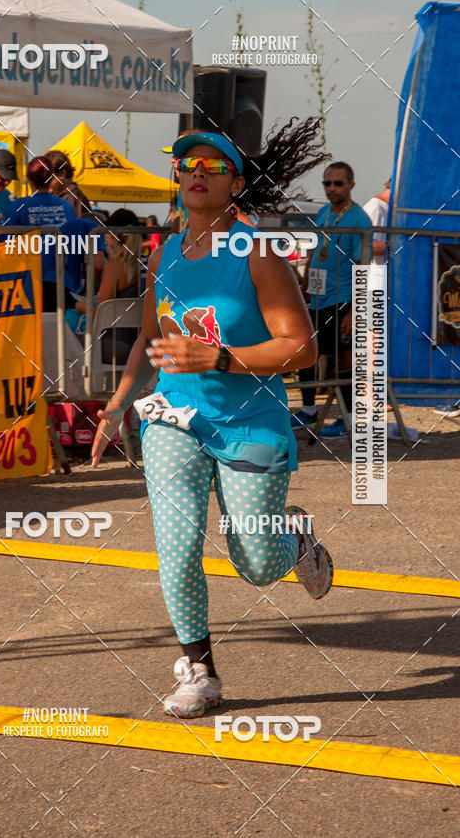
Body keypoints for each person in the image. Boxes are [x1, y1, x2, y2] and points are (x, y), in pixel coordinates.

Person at [91, 121, 334, 718]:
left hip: (251, 425)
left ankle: (294, 536)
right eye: (187, 164)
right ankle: (199, 669)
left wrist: (221, 357)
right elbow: (152, 335)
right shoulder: (166, 251)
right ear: (177, 177)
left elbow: (301, 348)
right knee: (175, 550)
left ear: (235, 182)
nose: (197, 172)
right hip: (174, 419)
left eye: (212, 166)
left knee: (253, 564)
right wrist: (119, 403)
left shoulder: (256, 252)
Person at [291, 162, 372, 439]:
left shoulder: (360, 220)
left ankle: (348, 419)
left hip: (343, 299)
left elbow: (364, 264)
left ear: (351, 185)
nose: (332, 189)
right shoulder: (324, 212)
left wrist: (355, 310)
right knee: (307, 351)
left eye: (338, 183)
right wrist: (304, 285)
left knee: (342, 357)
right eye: (327, 183)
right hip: (317, 297)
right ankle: (309, 413)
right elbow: (315, 250)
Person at [5, 155, 78, 312]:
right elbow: (72, 243)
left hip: (26, 279)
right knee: (55, 330)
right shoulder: (65, 206)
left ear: (29, 179)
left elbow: (5, 243)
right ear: (51, 177)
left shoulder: (18, 206)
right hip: (58, 278)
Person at [74, 208, 141, 362]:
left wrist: (77, 305)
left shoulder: (116, 267)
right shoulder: (149, 263)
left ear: (111, 236)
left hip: (116, 346)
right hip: (144, 345)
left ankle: (73, 386)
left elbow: (100, 313)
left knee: (64, 338)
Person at [45, 149, 91, 217]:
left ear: (62, 174)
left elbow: (74, 226)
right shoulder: (64, 196)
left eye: (48, 178)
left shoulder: (73, 198)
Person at [363, 178, 391, 264]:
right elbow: (367, 246)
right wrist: (400, 246)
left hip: (381, 274)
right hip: (373, 275)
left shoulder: (386, 208)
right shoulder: (376, 207)